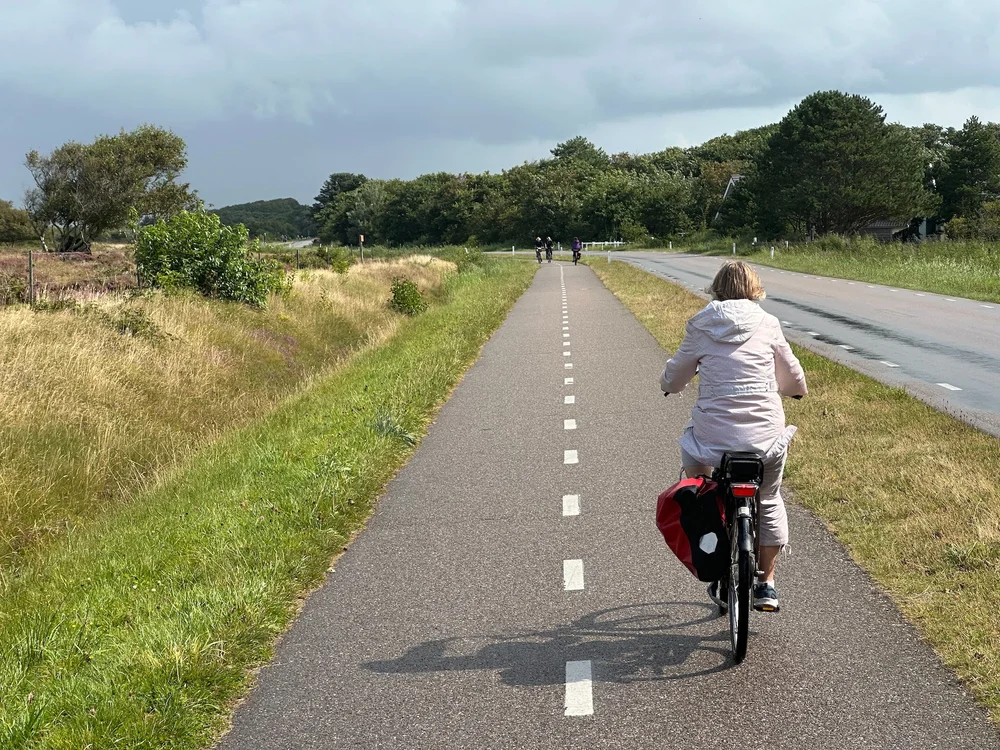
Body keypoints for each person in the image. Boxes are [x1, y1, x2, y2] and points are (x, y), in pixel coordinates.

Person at [659, 261, 806, 613]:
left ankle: (712, 544)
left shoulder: (701, 324)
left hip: (713, 439)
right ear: (755, 289)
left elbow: (676, 375)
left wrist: (668, 385)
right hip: (764, 440)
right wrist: (794, 391)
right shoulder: (768, 323)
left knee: (699, 485)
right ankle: (766, 584)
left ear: (717, 288)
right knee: (768, 499)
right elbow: (792, 375)